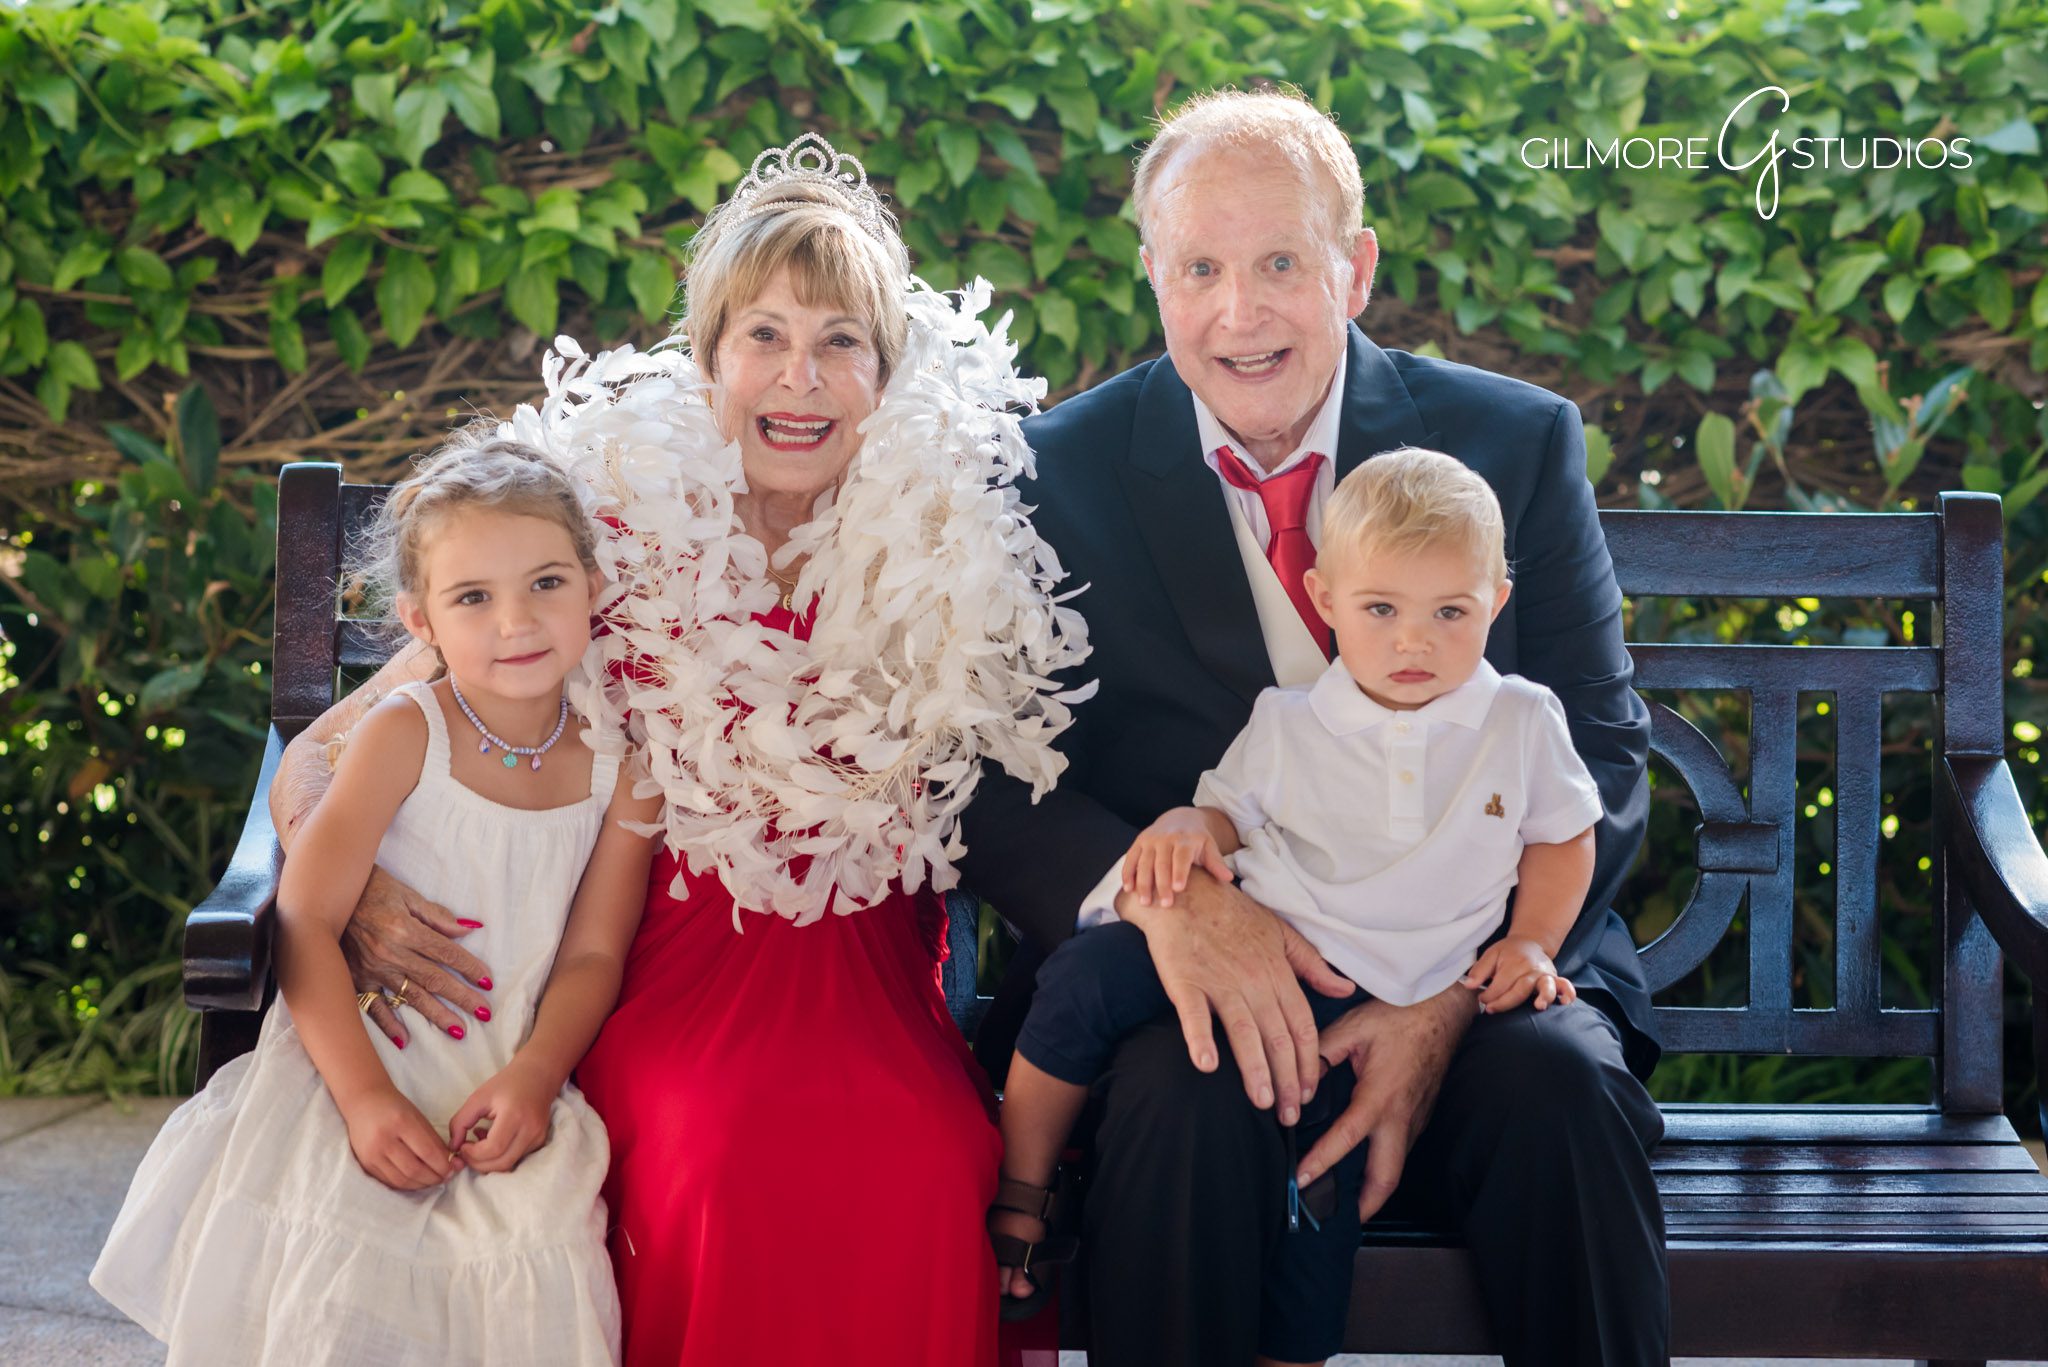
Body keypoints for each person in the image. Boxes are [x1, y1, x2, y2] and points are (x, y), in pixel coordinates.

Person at [264, 131, 1091, 1366]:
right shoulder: (590, 529)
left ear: (888, 373)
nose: (797, 379)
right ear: (707, 360)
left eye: (838, 343)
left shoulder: (951, 548)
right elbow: (322, 754)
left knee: (922, 1159)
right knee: (713, 1154)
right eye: (762, 336)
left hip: (867, 981)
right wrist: (360, 892)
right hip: (652, 967)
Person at [956, 88, 1669, 1366]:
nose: (1241, 312)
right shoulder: (1046, 474)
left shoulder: (1510, 441)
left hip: (1478, 979)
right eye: (1201, 268)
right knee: (1182, 1091)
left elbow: (1605, 761)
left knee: (1561, 1083)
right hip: (1195, 991)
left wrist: (1449, 995)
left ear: (1354, 268)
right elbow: (995, 784)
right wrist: (1169, 903)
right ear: (1152, 277)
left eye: (1281, 261)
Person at [988, 448, 1605, 1355]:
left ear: (1496, 601)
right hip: (1271, 954)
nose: (1414, 642)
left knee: (1321, 1204)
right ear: (1324, 598)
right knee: (1084, 977)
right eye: (1381, 609)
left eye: (1451, 612)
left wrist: (1535, 941)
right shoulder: (1292, 718)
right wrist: (1183, 827)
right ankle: (1024, 1187)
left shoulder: (1520, 719)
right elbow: (1225, 815)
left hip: (1391, 1005)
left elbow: (1564, 835)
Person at [93, 432, 663, 1364]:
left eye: (547, 584)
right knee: (342, 1270)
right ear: (421, 620)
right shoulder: (405, 731)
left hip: (504, 1073)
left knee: (538, 1254)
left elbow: (593, 954)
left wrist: (531, 1075)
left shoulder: (621, 772)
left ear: (595, 590)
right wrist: (361, 1098)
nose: (516, 621)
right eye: (473, 596)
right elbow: (306, 917)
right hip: (352, 1065)